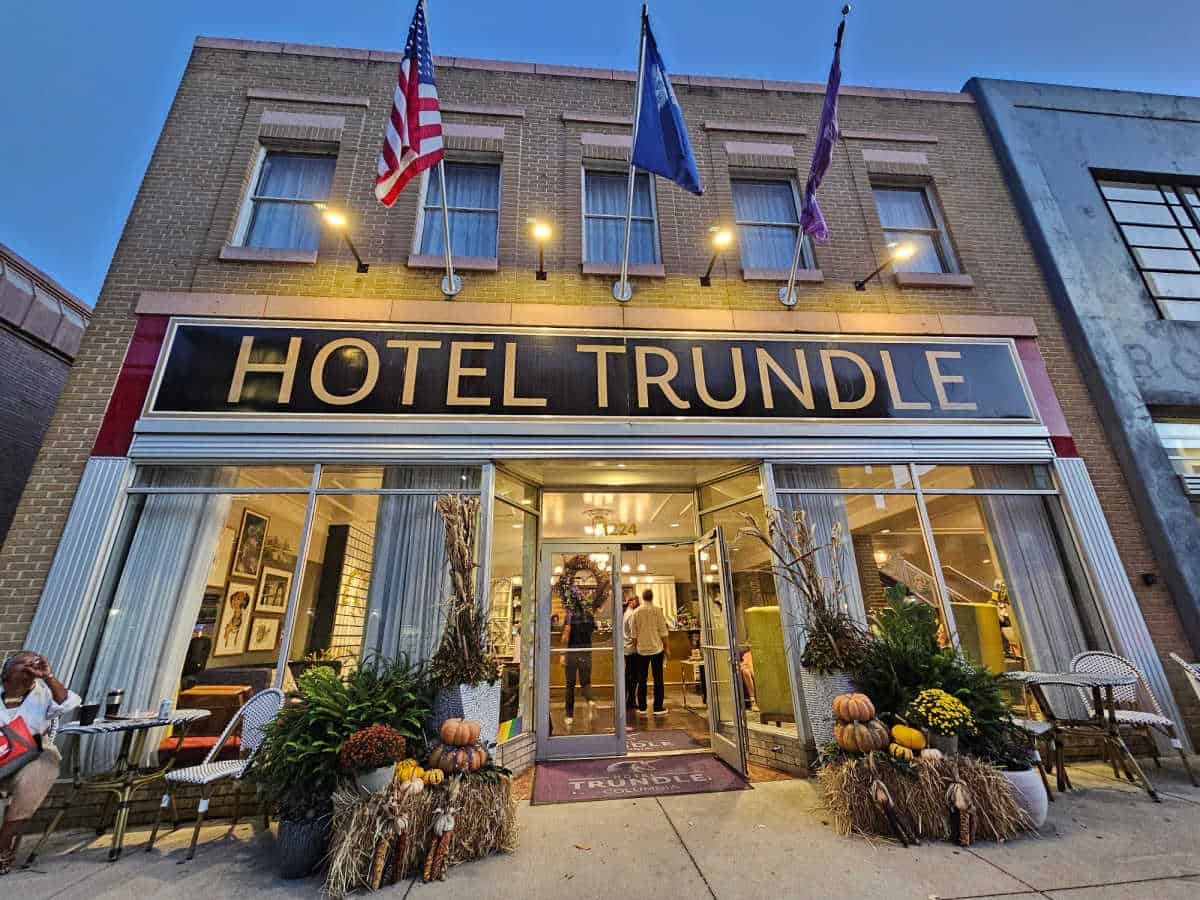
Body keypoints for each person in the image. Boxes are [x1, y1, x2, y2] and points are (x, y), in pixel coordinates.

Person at [0, 651, 79, 875]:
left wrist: (48, 676)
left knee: (40, 773)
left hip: (35, 750)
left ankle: (4, 844)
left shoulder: (43, 692)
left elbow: (67, 703)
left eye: (34, 664)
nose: (30, 668)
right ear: (7, 670)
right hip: (2, 751)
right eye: (23, 664)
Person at [628, 588, 670, 716]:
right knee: (658, 679)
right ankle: (658, 707)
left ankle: (642, 707)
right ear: (652, 597)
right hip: (657, 649)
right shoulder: (658, 610)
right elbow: (663, 632)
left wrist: (636, 647)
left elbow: (633, 634)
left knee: (642, 679)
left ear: (643, 598)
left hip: (641, 650)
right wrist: (667, 648)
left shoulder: (636, 612)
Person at [560, 582, 596, 726]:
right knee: (585, 682)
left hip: (572, 653)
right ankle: (590, 700)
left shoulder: (570, 615)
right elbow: (594, 628)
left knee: (570, 685)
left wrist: (562, 654)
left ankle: (569, 716)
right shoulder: (588, 614)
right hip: (586, 652)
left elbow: (565, 636)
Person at [622, 592, 641, 710]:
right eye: (636, 601)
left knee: (628, 674)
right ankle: (631, 700)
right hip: (632, 648)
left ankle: (628, 698)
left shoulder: (626, 613)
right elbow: (633, 632)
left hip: (626, 648)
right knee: (633, 676)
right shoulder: (631, 615)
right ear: (630, 601)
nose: (638, 603)